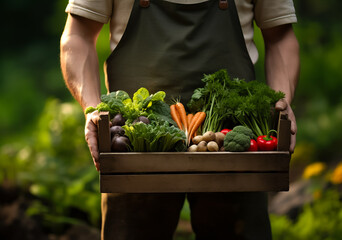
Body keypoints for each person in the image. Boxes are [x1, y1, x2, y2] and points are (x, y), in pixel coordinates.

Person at [60, 0, 299, 239]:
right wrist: (92, 108)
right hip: (136, 144)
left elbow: (280, 36)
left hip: (233, 147)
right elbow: (78, 36)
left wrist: (282, 102)